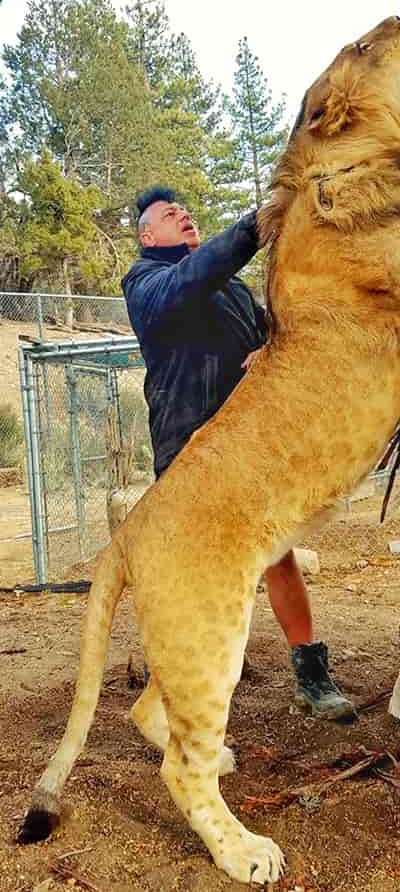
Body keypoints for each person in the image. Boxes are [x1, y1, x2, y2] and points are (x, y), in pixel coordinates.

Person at [121, 185, 356, 721]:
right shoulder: (145, 281)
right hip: (192, 455)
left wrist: (270, 348)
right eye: (168, 213)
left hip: (248, 448)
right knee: (197, 575)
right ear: (147, 235)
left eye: (186, 209)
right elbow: (186, 285)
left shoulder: (232, 288)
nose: (183, 213)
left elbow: (275, 332)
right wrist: (255, 226)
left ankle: (311, 676)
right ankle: (173, 692)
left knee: (278, 556)